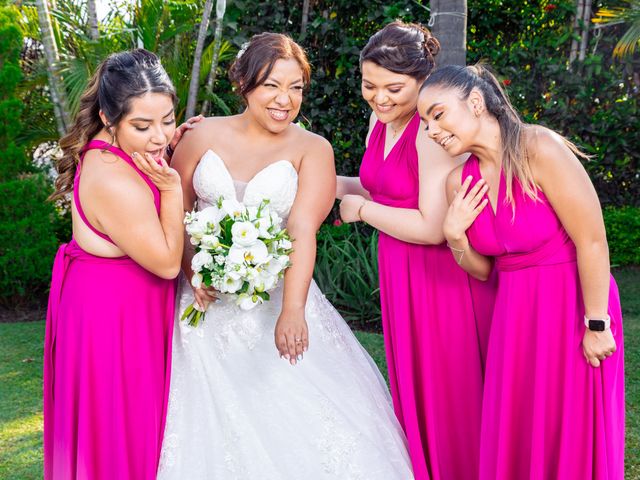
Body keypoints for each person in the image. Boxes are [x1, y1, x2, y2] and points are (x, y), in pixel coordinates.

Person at [156, 32, 413, 479]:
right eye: (272, 85)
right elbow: (174, 211)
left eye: (296, 88)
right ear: (245, 84)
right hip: (201, 303)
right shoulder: (200, 135)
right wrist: (192, 272)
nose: (285, 99)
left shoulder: (313, 149)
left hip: (278, 294)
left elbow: (301, 231)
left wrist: (292, 311)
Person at [419, 64, 625, 479]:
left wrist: (597, 322)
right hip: (514, 321)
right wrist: (455, 236)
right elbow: (484, 272)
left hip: (572, 310)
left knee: (569, 429)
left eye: (437, 115)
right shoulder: (459, 183)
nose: (430, 130)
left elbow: (592, 240)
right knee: (519, 429)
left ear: (475, 103)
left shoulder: (539, 148)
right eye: (424, 122)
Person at [336, 22, 493, 480]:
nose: (380, 98)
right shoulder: (379, 120)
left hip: (441, 279)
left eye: (394, 88)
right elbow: (379, 185)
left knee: (450, 393)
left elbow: (431, 227)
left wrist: (361, 212)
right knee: (416, 387)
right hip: (400, 271)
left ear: (423, 82)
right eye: (369, 85)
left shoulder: (430, 133)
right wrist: (320, 184)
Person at [44, 49, 198, 479]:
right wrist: (170, 190)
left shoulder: (128, 151)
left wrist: (174, 138)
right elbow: (167, 263)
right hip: (111, 321)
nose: (159, 136)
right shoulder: (111, 174)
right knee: (118, 437)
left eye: (167, 119)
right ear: (110, 119)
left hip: (124, 309)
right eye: (142, 125)